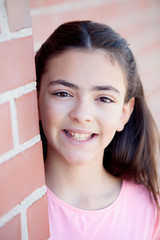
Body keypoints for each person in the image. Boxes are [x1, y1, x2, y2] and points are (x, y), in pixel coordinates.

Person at [35, 21, 160, 240]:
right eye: (63, 93)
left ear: (124, 113)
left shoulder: (151, 211)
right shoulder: (11, 208)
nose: (82, 114)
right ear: (35, 100)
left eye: (103, 98)